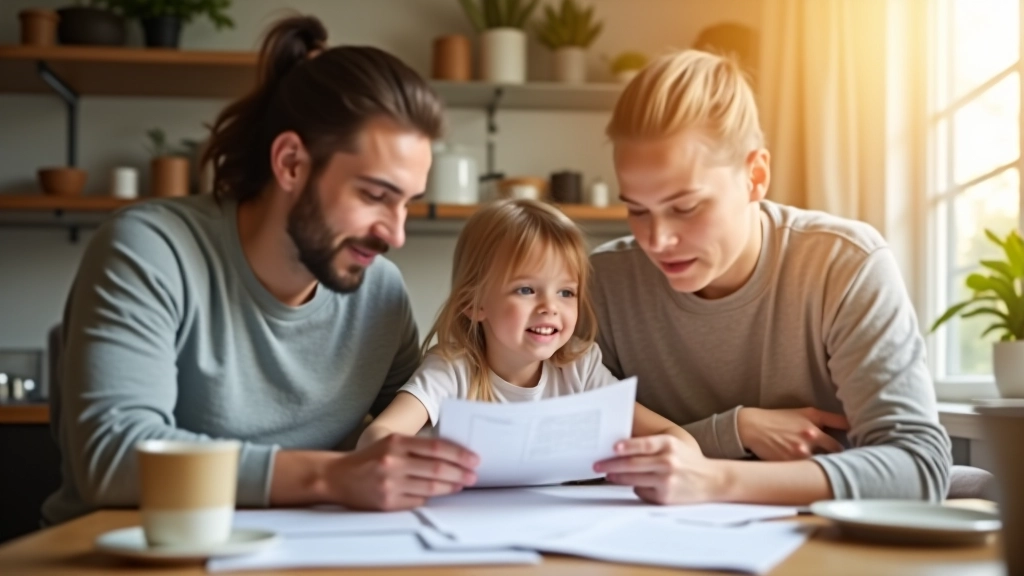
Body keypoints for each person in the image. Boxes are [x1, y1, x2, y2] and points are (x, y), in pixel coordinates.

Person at [42, 15, 480, 525]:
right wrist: (329, 477)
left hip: (308, 553)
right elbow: (113, 455)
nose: (394, 234)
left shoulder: (379, 290)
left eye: (407, 204)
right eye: (375, 196)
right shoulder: (150, 250)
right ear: (291, 163)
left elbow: (421, 425)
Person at [589, 50, 952, 505]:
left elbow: (920, 466)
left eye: (685, 207)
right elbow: (570, 447)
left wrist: (714, 480)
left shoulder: (845, 264)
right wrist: (734, 430)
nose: (657, 239)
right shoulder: (602, 281)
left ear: (755, 175)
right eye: (637, 210)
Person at [358, 199, 696, 465]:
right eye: (526, 290)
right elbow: (377, 436)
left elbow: (671, 435)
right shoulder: (451, 369)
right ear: (474, 304)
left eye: (566, 292)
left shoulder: (580, 366)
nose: (550, 307)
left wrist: (670, 458)